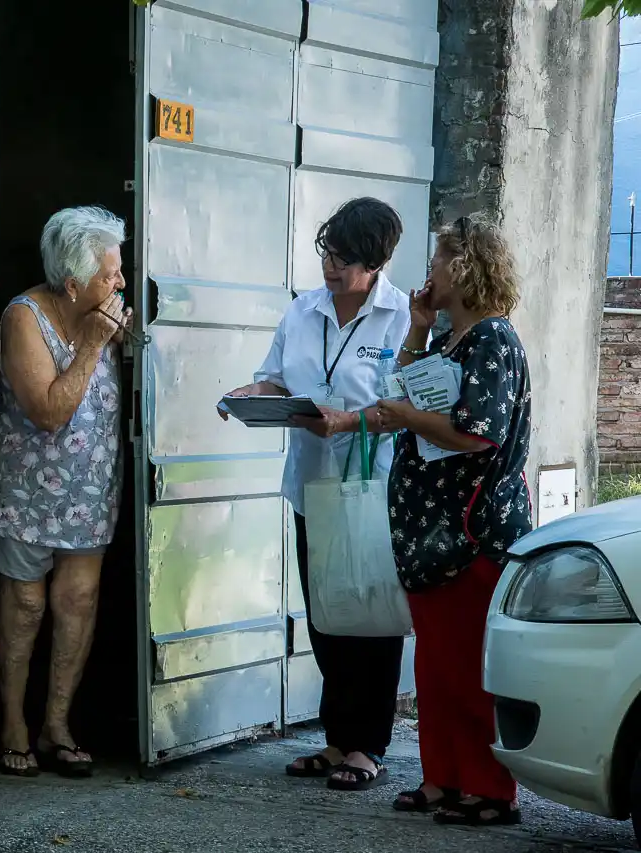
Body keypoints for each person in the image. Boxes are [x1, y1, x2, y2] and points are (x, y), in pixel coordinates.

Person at [221, 197, 410, 791]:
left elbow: (410, 408)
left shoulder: (402, 318)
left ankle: (368, 747)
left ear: (377, 263)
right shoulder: (302, 310)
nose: (333, 268)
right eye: (328, 253)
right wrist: (253, 392)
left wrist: (348, 421)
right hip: (311, 487)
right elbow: (277, 375)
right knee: (325, 616)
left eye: (347, 259)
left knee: (370, 616)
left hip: (371, 488)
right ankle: (336, 741)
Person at [377, 217, 531, 826]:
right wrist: (416, 330)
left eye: (439, 259)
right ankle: (442, 779)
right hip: (433, 536)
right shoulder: (454, 340)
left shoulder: (492, 340)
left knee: (469, 668)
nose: (430, 271)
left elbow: (475, 433)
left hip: (471, 533)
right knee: (437, 666)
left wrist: (407, 417)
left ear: (464, 267)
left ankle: (490, 791)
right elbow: (401, 390)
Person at [0, 206, 131, 778]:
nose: (119, 282)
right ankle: (14, 724)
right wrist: (93, 343)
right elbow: (48, 411)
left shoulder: (109, 312)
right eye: (110, 274)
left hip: (91, 489)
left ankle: (57, 725)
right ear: (72, 284)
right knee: (25, 606)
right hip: (29, 493)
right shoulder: (25, 316)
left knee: (78, 603)